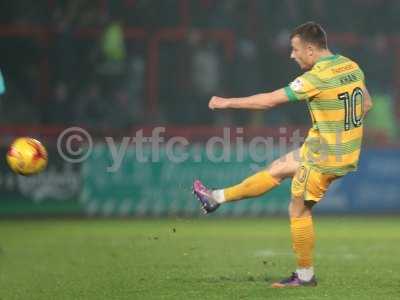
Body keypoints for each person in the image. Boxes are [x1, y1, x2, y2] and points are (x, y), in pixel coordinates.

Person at [192, 21, 373, 288]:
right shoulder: (350, 65)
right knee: (277, 169)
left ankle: (304, 276)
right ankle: (215, 198)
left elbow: (268, 101)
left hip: (324, 156)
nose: (292, 55)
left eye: (295, 49)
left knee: (299, 211)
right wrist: (341, 131)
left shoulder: (315, 77)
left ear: (310, 50)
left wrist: (226, 102)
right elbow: (367, 104)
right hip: (333, 148)